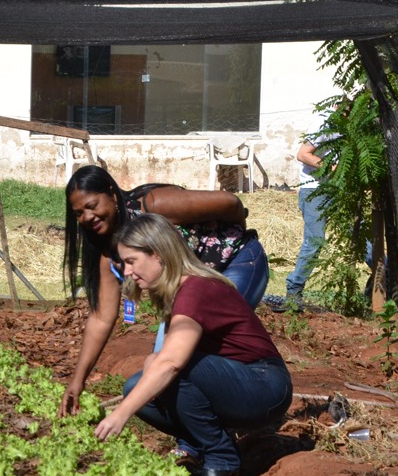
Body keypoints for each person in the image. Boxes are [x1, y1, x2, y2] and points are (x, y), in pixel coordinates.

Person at [91, 213, 292, 476]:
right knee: (138, 385)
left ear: (158, 255)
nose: (126, 271)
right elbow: (161, 360)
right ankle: (203, 444)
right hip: (238, 383)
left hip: (266, 386)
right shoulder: (180, 291)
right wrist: (154, 366)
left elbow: (172, 362)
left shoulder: (196, 291)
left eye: (131, 261)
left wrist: (121, 414)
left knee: (174, 371)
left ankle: (222, 458)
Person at [60, 164, 269, 422]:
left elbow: (230, 202)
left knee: (190, 353)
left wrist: (227, 237)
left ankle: (243, 415)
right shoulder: (107, 250)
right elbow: (102, 319)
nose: (87, 217)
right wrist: (78, 380)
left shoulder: (155, 205)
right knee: (164, 362)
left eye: (92, 206)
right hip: (190, 289)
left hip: (236, 261)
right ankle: (201, 431)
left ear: (113, 195)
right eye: (79, 213)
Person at [279, 113, 338, 311]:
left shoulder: (358, 121)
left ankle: (389, 278)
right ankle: (294, 290)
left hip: (339, 188)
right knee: (315, 240)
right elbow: (303, 154)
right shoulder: (325, 122)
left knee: (362, 234)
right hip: (315, 189)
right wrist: (333, 168)